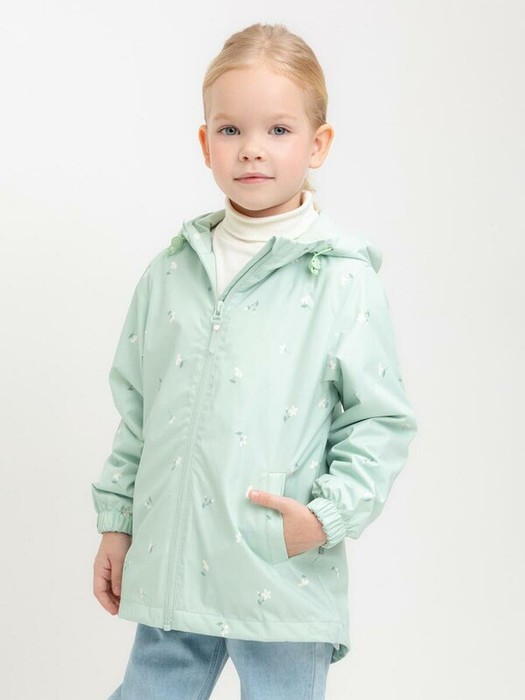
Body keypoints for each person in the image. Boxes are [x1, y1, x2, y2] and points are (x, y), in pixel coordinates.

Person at [91, 22, 418, 700]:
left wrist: (323, 519)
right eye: (231, 130)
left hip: (278, 572)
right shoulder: (171, 273)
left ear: (317, 144)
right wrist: (118, 524)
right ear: (205, 143)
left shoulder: (342, 279)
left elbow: (378, 421)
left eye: (278, 130)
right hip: (172, 565)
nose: (251, 149)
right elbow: (138, 412)